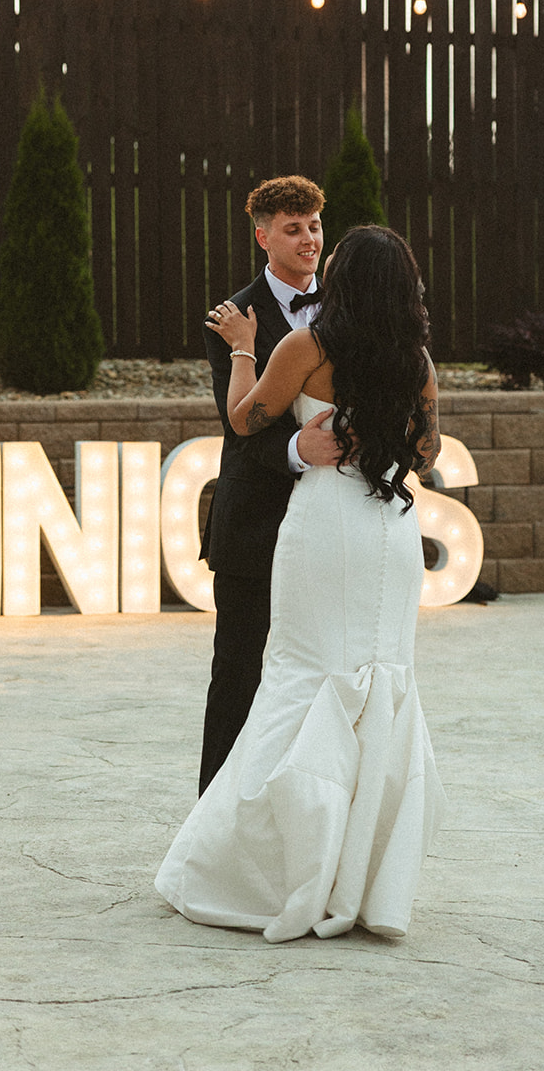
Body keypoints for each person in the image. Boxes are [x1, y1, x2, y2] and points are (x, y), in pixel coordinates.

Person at [156, 225, 445, 941]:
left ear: (342, 280)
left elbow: (245, 417)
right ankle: (362, 877)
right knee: (377, 680)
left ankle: (267, 868)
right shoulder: (416, 362)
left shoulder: (305, 348)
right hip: (389, 532)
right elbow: (427, 447)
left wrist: (243, 351)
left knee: (301, 676)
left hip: (324, 528)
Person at [199, 175, 339, 795]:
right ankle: (211, 832)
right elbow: (239, 433)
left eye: (313, 226)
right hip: (253, 526)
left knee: (318, 677)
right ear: (263, 237)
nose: (308, 239)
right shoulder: (232, 317)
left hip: (330, 524)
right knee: (238, 675)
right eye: (292, 228)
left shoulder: (346, 307)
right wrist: (294, 449)